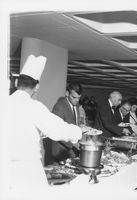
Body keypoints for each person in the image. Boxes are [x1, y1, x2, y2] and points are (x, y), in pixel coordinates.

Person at [7, 55, 84, 190]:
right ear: (37, 87)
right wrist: (78, 132)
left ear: (15, 83)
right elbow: (58, 130)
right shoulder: (33, 106)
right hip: (26, 170)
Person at [51, 82, 83, 163]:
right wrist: (73, 143)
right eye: (74, 97)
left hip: (73, 150)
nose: (77, 100)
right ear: (67, 93)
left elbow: (74, 124)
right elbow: (57, 131)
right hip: (61, 150)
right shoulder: (59, 107)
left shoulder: (76, 105)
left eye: (79, 98)